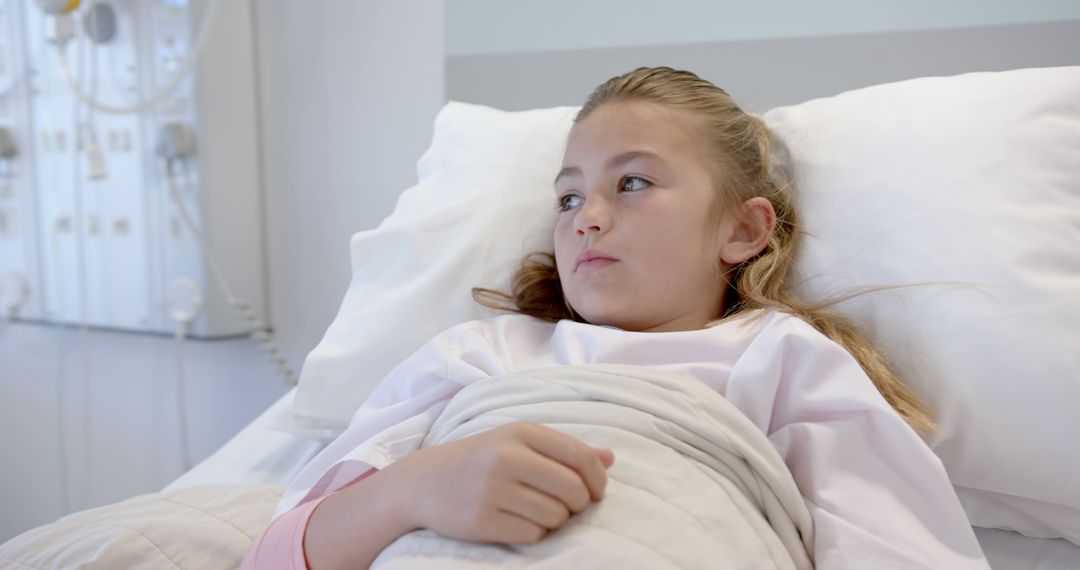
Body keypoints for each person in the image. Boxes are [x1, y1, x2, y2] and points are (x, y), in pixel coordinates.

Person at [243, 67, 989, 569]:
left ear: (742, 231)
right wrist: (409, 491)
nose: (587, 219)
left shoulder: (781, 359)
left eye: (632, 183)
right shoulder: (483, 355)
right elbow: (275, 554)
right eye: (569, 197)